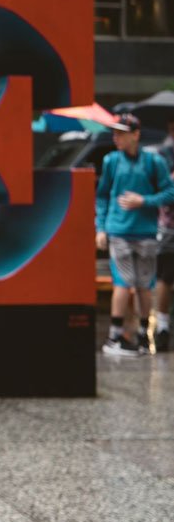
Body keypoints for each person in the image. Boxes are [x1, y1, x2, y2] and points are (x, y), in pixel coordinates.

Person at [96, 113, 174, 356]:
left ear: (136, 134)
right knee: (123, 282)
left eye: (121, 133)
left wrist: (144, 201)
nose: (116, 137)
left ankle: (142, 333)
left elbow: (169, 193)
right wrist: (101, 227)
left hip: (147, 232)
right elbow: (102, 195)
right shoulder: (111, 161)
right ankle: (115, 336)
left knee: (144, 284)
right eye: (115, 133)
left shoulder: (154, 162)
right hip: (119, 230)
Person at [154, 120, 174, 352]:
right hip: (169, 226)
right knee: (165, 276)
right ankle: (162, 327)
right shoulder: (162, 154)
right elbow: (163, 190)